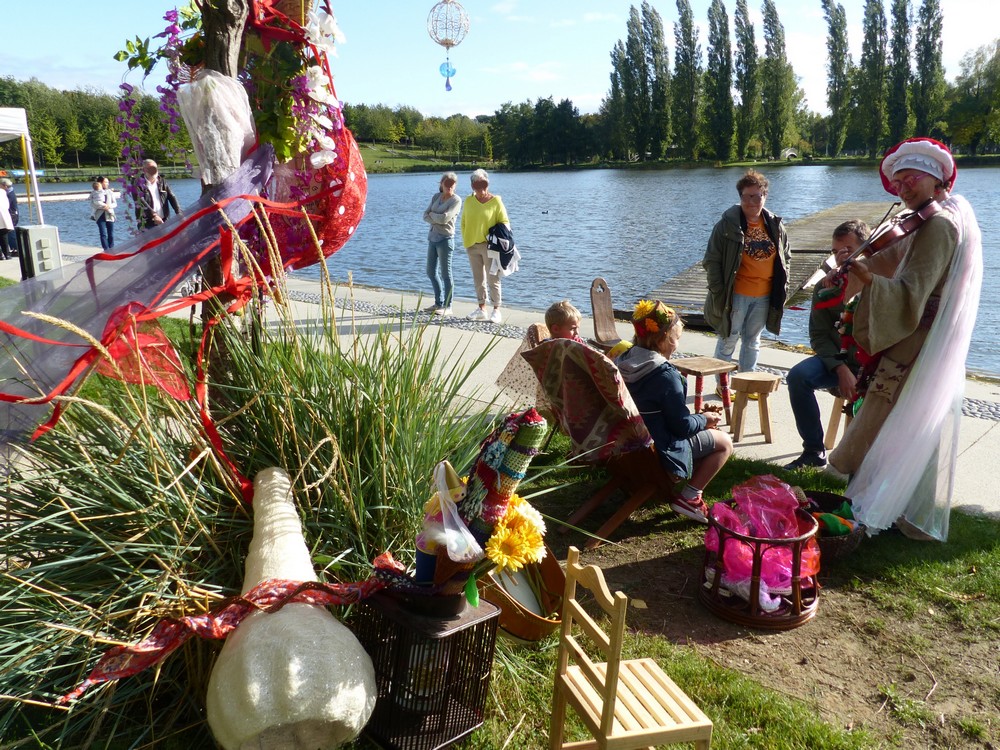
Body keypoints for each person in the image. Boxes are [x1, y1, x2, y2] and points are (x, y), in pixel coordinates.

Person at [828, 137, 983, 542]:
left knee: (894, 419)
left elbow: (913, 291)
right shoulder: (926, 220)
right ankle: (883, 506)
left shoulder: (941, 226)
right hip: (911, 335)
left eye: (911, 179)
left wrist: (866, 281)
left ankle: (881, 508)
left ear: (935, 179)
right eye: (898, 183)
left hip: (917, 338)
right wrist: (846, 274)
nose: (903, 188)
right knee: (899, 422)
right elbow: (888, 259)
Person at [615, 300, 734, 523]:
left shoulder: (621, 361)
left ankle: (676, 486)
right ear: (664, 339)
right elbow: (681, 427)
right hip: (657, 451)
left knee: (704, 431)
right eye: (677, 338)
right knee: (724, 442)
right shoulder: (665, 375)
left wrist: (699, 420)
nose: (677, 344)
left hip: (626, 449)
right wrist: (705, 419)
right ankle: (690, 497)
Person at [784, 219, 871, 469]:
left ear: (865, 248)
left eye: (848, 250)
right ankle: (813, 450)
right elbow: (819, 335)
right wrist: (839, 368)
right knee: (799, 376)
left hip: (873, 363)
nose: (841, 257)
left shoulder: (879, 281)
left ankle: (867, 457)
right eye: (835, 252)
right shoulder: (826, 286)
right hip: (839, 360)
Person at [703, 170, 791, 394]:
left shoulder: (775, 224)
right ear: (740, 197)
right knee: (728, 339)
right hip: (736, 294)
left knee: (753, 341)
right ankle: (723, 387)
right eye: (746, 196)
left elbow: (786, 256)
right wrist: (718, 290)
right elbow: (711, 260)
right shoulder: (726, 226)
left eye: (757, 196)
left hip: (764, 295)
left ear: (765, 196)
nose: (752, 201)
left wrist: (784, 284)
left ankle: (746, 383)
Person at [461, 169, 509, 324]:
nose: (480, 188)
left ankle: (496, 309)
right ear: (472, 186)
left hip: (490, 246)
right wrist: (466, 241)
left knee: (493, 278)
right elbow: (463, 222)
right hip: (472, 244)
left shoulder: (496, 201)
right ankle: (481, 308)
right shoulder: (468, 201)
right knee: (478, 279)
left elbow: (505, 223)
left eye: (483, 184)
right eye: (476, 184)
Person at [422, 171, 461, 316]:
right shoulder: (436, 197)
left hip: (445, 240)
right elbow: (424, 215)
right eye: (447, 184)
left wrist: (432, 216)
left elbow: (446, 219)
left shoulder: (456, 200)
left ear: (455, 186)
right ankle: (438, 302)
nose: (449, 187)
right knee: (430, 272)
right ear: (442, 184)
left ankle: (448, 306)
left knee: (446, 273)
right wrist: (434, 217)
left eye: (452, 184)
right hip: (432, 238)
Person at [135, 159, 181, 230]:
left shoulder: (162, 182)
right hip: (146, 223)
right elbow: (141, 201)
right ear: (144, 170)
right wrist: (154, 215)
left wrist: (179, 213)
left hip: (164, 221)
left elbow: (172, 197)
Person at [90, 177, 116, 250]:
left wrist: (108, 206)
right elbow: (92, 204)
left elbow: (115, 204)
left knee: (111, 234)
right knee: (103, 233)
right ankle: (106, 249)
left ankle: (112, 248)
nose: (108, 184)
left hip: (109, 214)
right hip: (100, 215)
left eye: (108, 182)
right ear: (100, 183)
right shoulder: (94, 192)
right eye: (106, 182)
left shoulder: (110, 192)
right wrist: (102, 207)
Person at [1, 178, 17, 257]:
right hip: (8, 216)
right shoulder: (8, 192)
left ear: (5, 186)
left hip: (11, 215)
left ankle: (15, 249)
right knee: (7, 233)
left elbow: (7, 205)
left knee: (10, 233)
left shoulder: (8, 193)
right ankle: (9, 252)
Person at [0, 180, 13, 260]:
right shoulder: (3, 192)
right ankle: (7, 254)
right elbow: (7, 205)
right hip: (4, 216)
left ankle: (1, 255)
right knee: (4, 237)